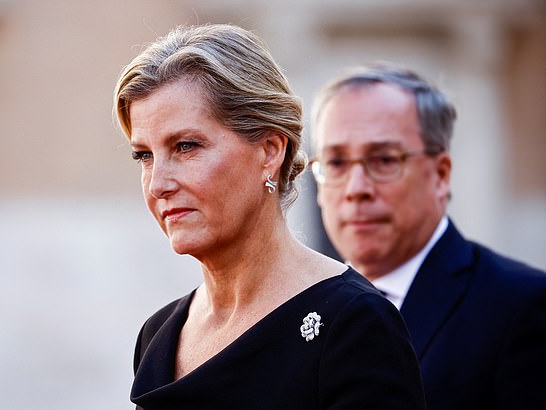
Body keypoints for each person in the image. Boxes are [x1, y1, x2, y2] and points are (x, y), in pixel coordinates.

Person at [113, 25, 425, 409]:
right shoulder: (159, 334)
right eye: (144, 156)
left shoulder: (355, 324)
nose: (158, 183)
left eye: (186, 146)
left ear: (270, 151)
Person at [310, 63, 546, 410]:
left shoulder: (522, 306)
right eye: (336, 163)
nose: (355, 189)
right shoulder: (304, 309)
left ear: (440, 174)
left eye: (385, 159)